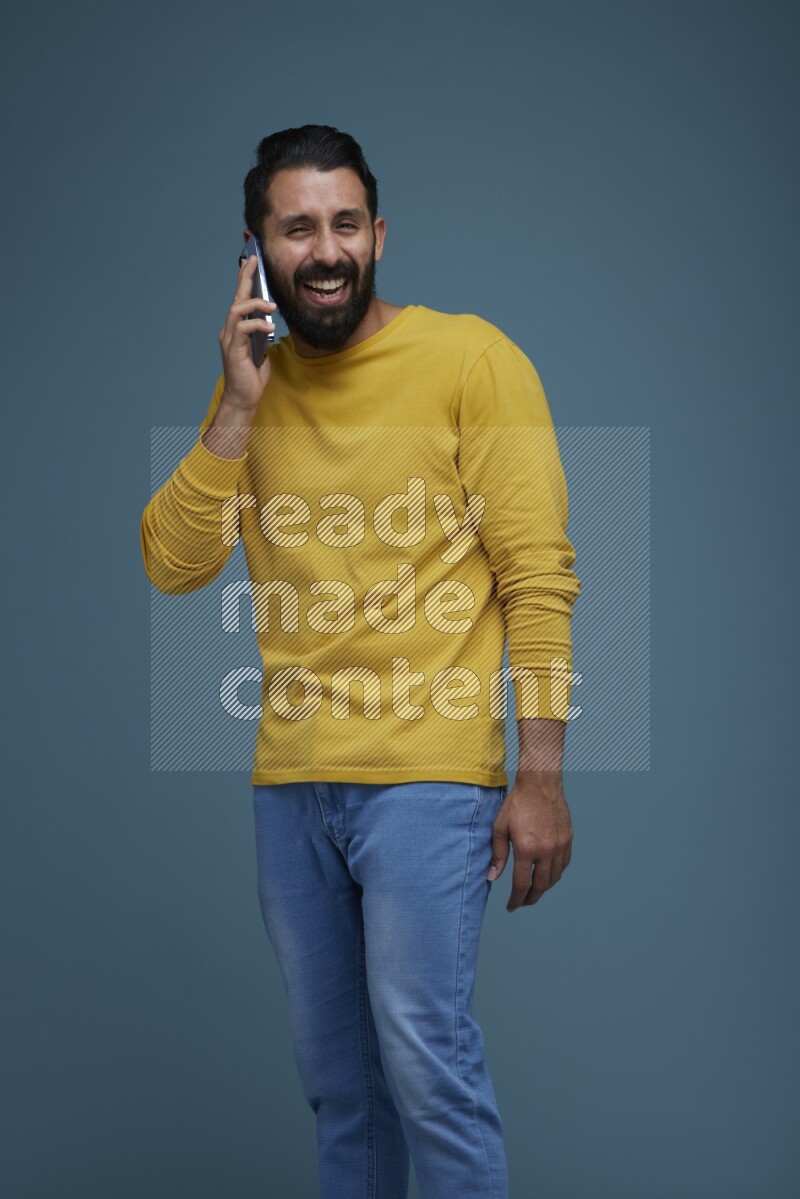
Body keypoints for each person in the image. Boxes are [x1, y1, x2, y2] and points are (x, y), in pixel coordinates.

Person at [140, 124, 581, 1199]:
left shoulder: (471, 360)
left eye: (344, 223)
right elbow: (173, 563)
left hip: (427, 774)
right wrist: (238, 405)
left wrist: (539, 773)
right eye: (296, 228)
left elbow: (536, 573)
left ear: (377, 234)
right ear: (254, 252)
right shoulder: (253, 387)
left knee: (426, 1065)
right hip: (291, 781)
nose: (324, 248)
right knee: (342, 1086)